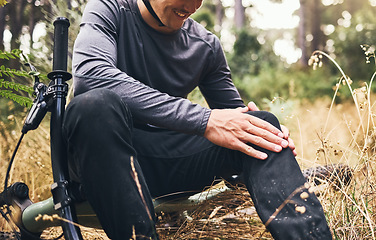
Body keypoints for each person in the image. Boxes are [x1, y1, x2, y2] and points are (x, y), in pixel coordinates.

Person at [63, 0, 333, 239]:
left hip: (166, 162)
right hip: (100, 161)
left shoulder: (205, 45)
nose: (193, 6)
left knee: (261, 127)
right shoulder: (109, 8)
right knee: (94, 105)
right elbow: (92, 75)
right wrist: (204, 120)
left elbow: (234, 123)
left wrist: (264, 133)